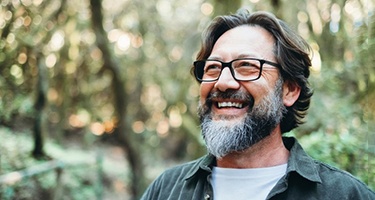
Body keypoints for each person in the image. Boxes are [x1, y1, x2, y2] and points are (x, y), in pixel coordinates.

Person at [140, 10, 375, 200]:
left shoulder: (345, 194)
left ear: (290, 90)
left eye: (247, 66)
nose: (223, 82)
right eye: (213, 68)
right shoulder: (166, 189)